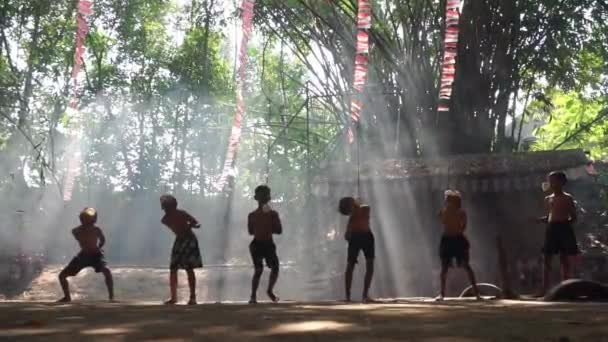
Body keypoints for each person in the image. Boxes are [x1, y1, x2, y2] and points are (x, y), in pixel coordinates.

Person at [535, 171, 579, 296]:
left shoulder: (567, 198)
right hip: (551, 228)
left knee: (564, 260)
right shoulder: (548, 199)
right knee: (546, 258)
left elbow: (574, 217)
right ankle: (544, 289)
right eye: (550, 181)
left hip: (564, 228)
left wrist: (564, 225)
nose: (551, 183)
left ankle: (566, 289)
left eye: (553, 181)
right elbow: (550, 216)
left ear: (562, 182)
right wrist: (542, 220)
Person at [57, 208, 114, 302]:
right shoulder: (76, 230)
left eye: (88, 218)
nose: (87, 221)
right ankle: (67, 297)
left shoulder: (96, 229)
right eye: (85, 218)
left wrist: (99, 247)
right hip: (83, 255)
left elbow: (102, 240)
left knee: (107, 270)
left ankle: (111, 297)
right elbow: (80, 237)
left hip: (96, 254)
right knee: (62, 275)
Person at [436, 190, 481, 300]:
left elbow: (463, 226)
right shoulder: (444, 211)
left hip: (458, 239)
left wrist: (456, 228)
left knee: (466, 266)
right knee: (444, 268)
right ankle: (442, 293)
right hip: (447, 240)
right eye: (446, 200)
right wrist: (442, 216)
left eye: (448, 200)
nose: (447, 202)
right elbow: (442, 222)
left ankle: (477, 293)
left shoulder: (461, 212)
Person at [160, 194, 202, 305]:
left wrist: (193, 225)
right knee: (173, 268)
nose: (164, 209)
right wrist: (190, 225)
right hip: (180, 240)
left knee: (189, 268)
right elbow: (180, 225)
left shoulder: (181, 213)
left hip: (189, 239)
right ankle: (174, 297)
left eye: (166, 206)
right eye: (164, 207)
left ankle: (192, 297)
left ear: (172, 206)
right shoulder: (165, 219)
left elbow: (196, 222)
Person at [248, 185, 282, 304]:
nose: (264, 197)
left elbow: (278, 230)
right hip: (259, 244)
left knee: (270, 268)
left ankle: (264, 292)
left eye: (266, 194)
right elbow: (252, 231)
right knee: (260, 269)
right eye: (263, 195)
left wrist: (270, 221)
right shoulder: (254, 215)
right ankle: (255, 295)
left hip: (265, 244)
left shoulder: (271, 214)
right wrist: (267, 221)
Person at [338, 196, 375, 303]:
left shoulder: (365, 208)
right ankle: (348, 296)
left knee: (370, 264)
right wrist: (348, 233)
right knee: (350, 265)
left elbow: (366, 209)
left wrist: (357, 205)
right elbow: (347, 234)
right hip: (355, 238)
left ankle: (365, 295)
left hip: (367, 237)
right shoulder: (352, 217)